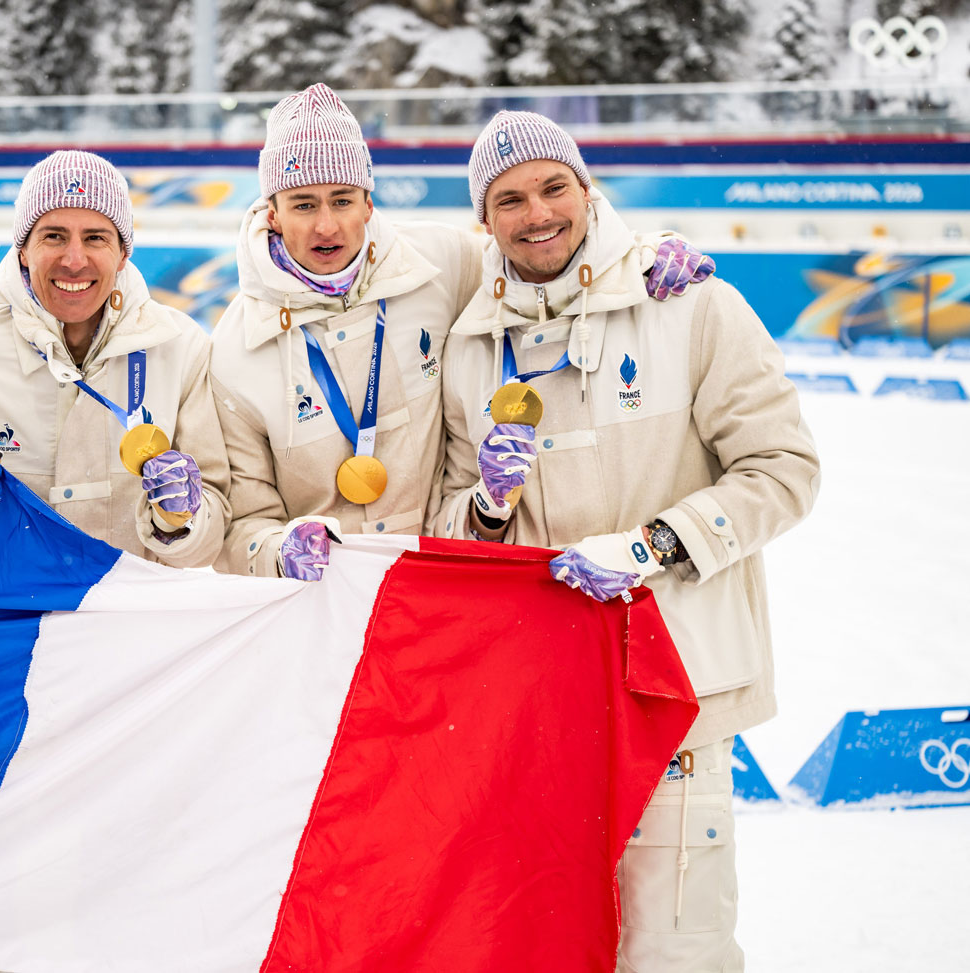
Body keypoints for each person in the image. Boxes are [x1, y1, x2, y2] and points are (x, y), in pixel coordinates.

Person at [433, 110, 820, 970]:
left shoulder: (690, 302)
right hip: (539, 700)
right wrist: (486, 508)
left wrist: (652, 547)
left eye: (553, 187)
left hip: (677, 691)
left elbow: (784, 469)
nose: (538, 213)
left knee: (677, 948)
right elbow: (450, 528)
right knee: (551, 943)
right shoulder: (467, 347)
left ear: (587, 187)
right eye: (509, 199)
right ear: (482, 220)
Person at [209, 83, 712, 581]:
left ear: (368, 203)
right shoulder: (236, 347)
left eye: (342, 200)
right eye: (303, 205)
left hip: (439, 588)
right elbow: (239, 526)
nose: (326, 226)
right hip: (325, 603)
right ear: (273, 213)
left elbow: (537, 254)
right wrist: (275, 552)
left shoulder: (440, 263)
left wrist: (639, 255)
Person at [0, 150, 229, 566]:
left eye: (95, 238)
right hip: (8, 607)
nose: (74, 261)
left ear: (123, 253)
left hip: (142, 606)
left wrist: (180, 521)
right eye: (54, 236)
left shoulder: (180, 347)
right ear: (23, 250)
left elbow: (216, 528)